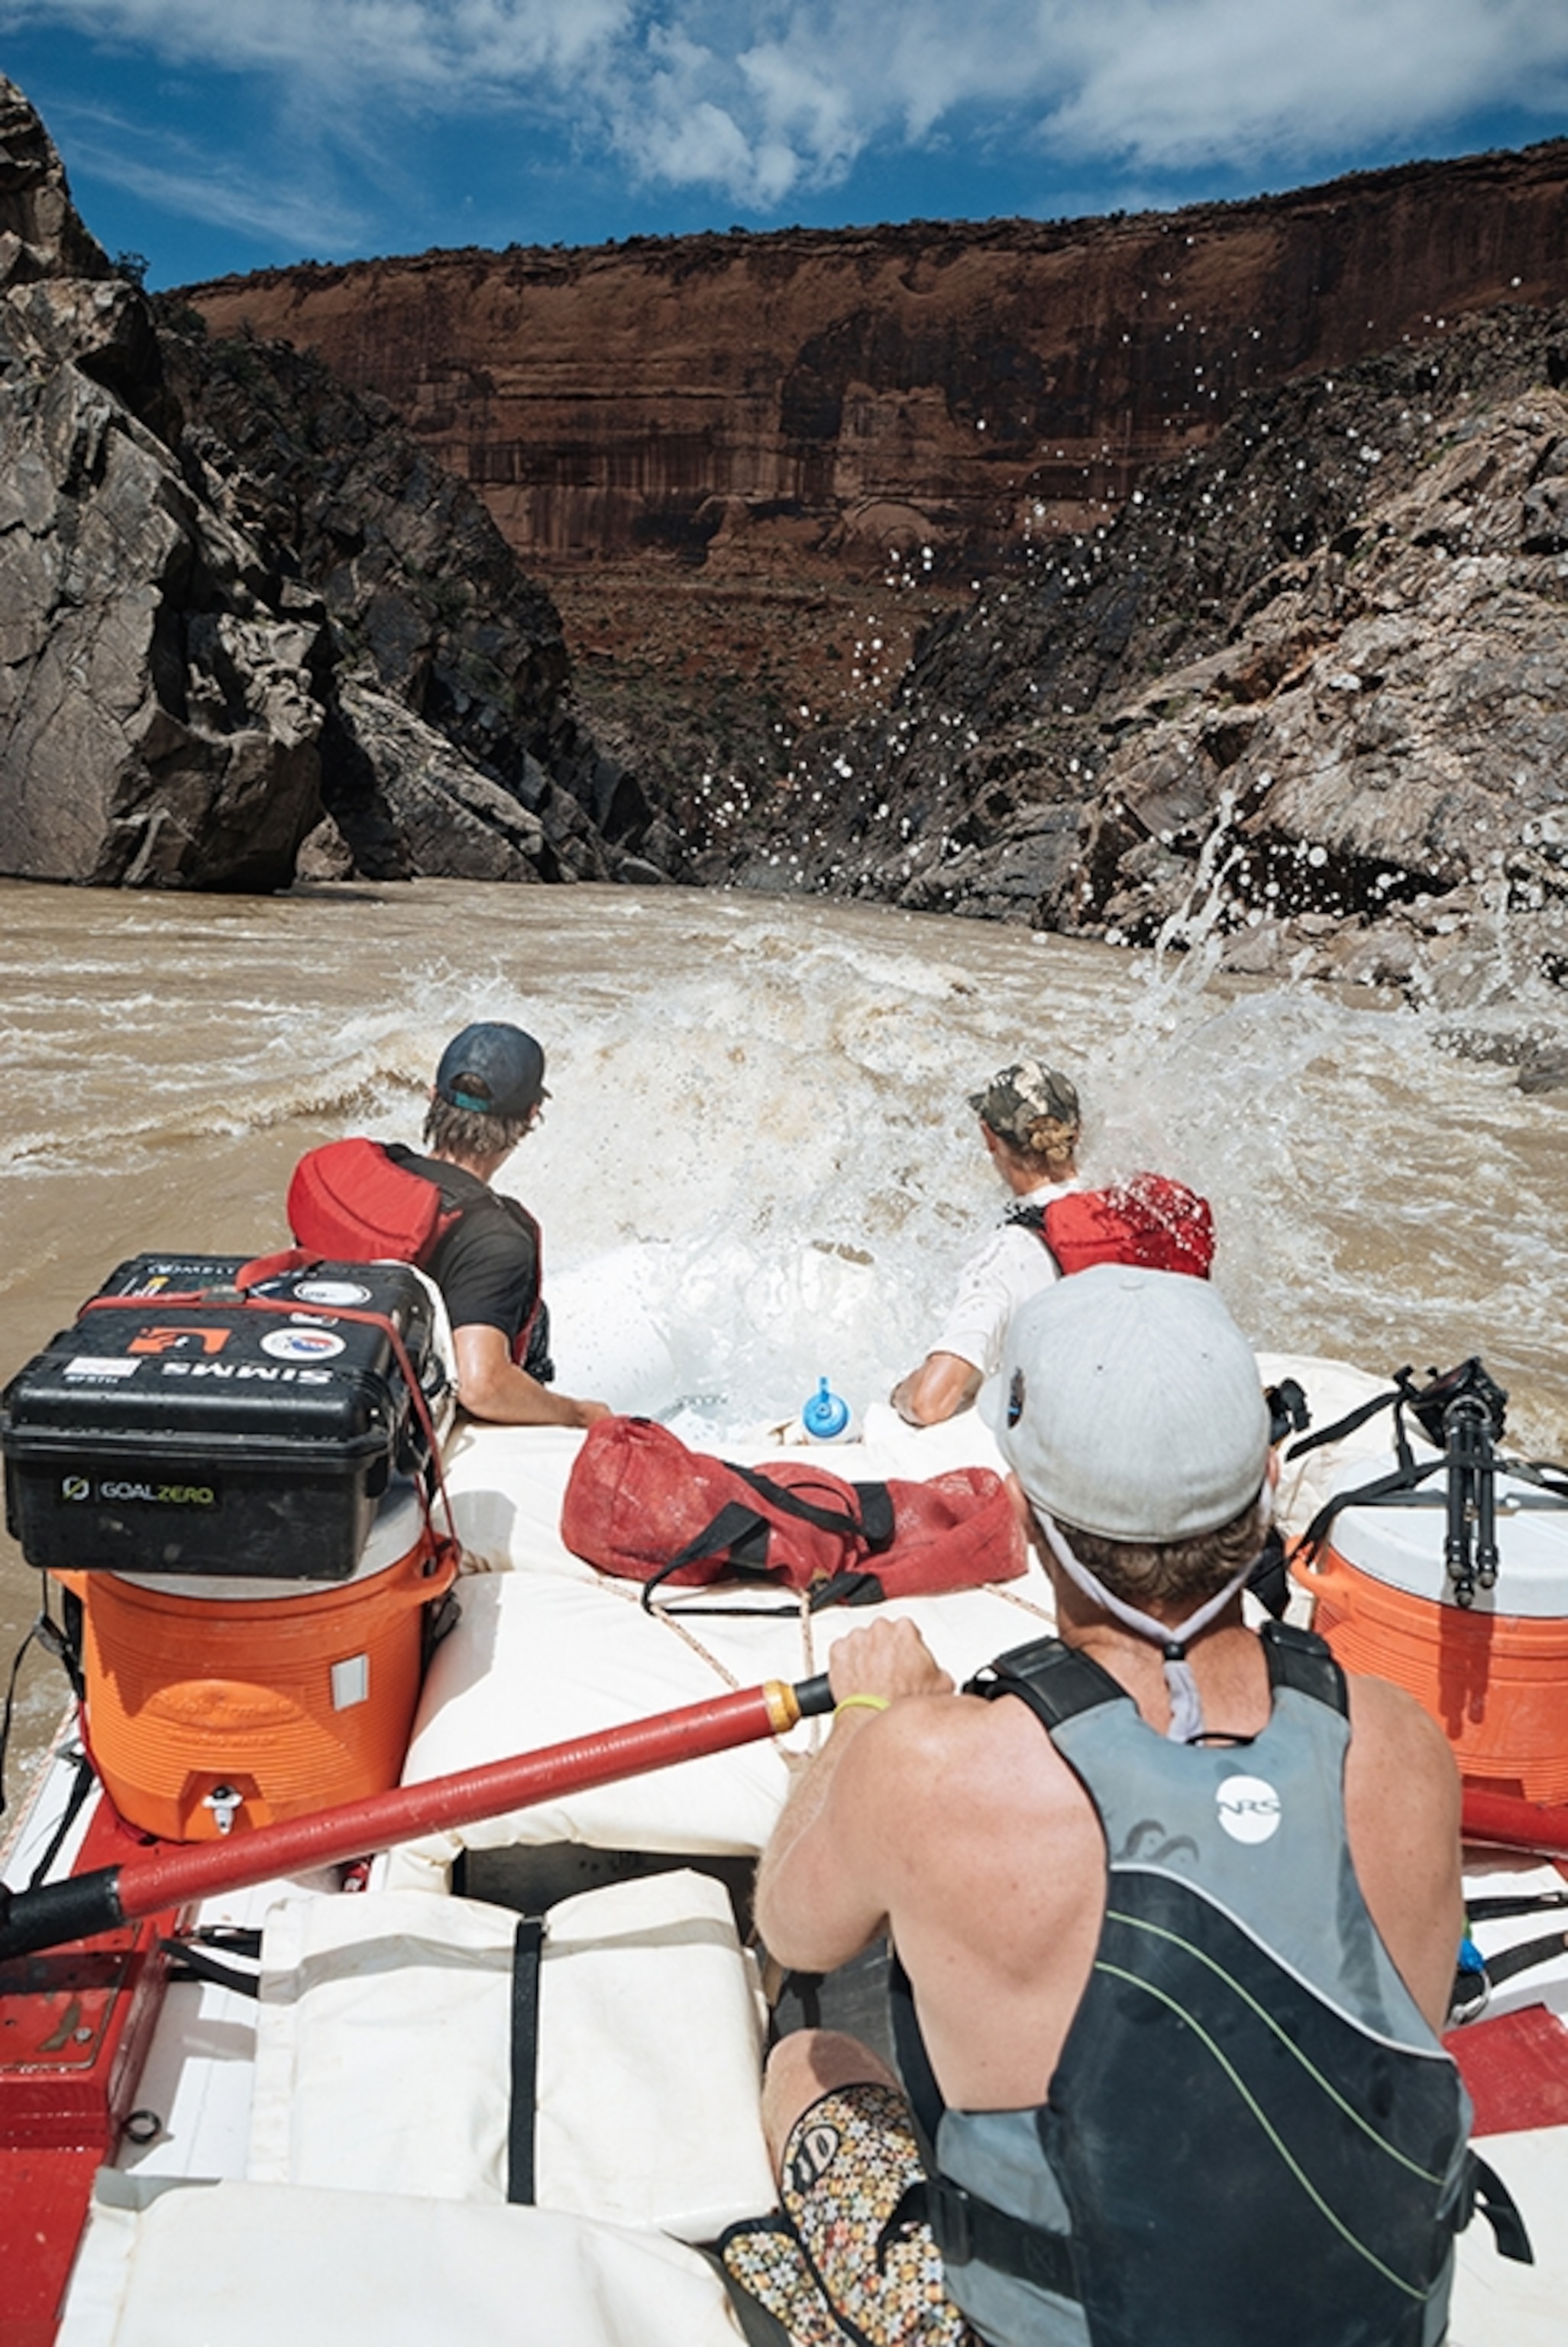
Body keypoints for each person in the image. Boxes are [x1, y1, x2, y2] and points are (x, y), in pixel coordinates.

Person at [750, 1266, 1490, 2347]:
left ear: (1018, 1517)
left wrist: (864, 1716)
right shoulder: (1400, 1742)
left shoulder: (925, 1766)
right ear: (1270, 1479)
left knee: (804, 2067)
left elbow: (790, 1927)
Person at [890, 1058, 1081, 1426]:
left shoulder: (1008, 1253)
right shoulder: (1121, 1211)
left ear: (989, 1137)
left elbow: (932, 1404)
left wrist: (900, 1393)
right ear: (1078, 1130)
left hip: (1066, 1447)